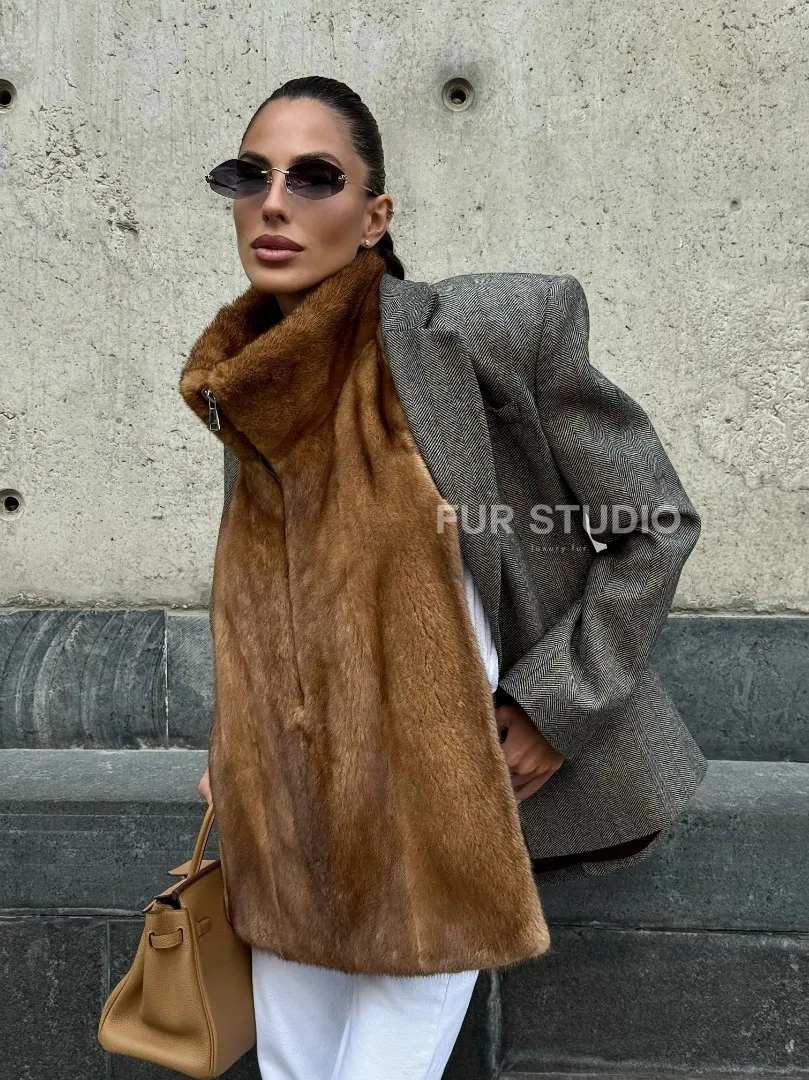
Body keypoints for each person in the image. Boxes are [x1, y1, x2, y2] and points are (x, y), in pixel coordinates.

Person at [179, 76, 706, 1080]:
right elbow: (270, 600)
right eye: (251, 176)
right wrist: (234, 740)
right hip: (291, 807)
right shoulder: (250, 387)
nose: (274, 202)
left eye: (313, 177)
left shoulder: (490, 333)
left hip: (443, 801)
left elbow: (652, 525)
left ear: (374, 216)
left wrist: (553, 704)